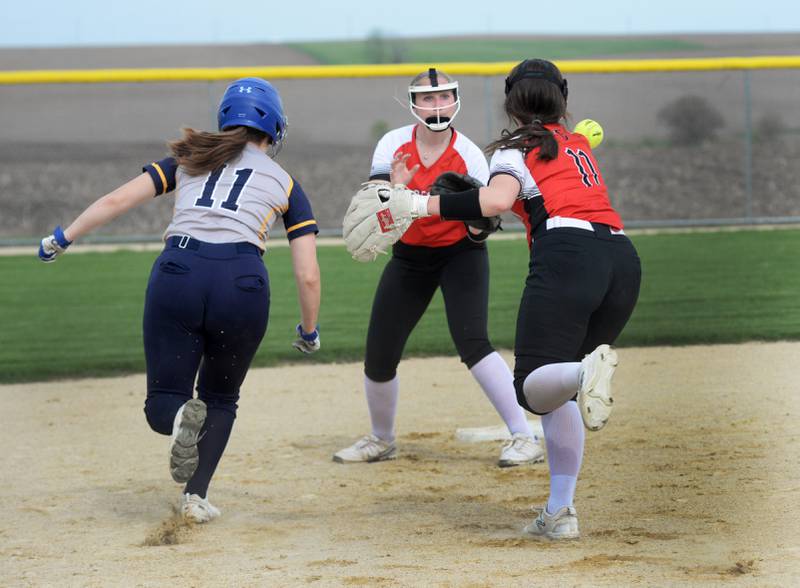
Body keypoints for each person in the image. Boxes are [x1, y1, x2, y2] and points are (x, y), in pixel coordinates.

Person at [38, 78, 321, 523]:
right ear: (275, 129)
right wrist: (309, 331)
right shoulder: (286, 183)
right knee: (222, 398)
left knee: (163, 404)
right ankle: (195, 498)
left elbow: (117, 199)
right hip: (243, 283)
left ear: (225, 119)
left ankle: (177, 420)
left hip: (179, 273)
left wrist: (62, 237)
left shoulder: (189, 159)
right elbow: (307, 274)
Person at [402, 58, 641, 539]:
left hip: (567, 255)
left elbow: (493, 202)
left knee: (533, 385)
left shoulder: (514, 149)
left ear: (510, 103)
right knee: (557, 396)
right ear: (563, 100)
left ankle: (584, 371)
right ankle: (559, 513)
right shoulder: (576, 145)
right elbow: (513, 200)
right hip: (621, 258)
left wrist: (419, 203)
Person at [334, 68, 545, 467]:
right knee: (380, 352)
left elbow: (484, 231)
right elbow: (375, 211)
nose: (437, 105)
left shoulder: (468, 154)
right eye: (428, 99)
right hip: (409, 258)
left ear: (456, 99)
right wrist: (394, 189)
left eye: (444, 96)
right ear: (413, 104)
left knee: (473, 343)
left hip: (460, 254)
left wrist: (474, 221)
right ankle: (381, 439)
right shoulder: (393, 144)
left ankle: (523, 435)